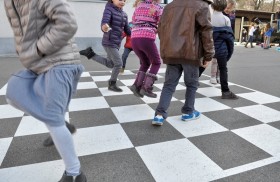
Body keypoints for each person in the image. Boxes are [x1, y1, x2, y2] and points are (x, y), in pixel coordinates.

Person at [4, 0, 87, 181]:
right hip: (38, 64)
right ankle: (61, 124)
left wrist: (37, 49)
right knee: (13, 93)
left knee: (52, 118)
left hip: (59, 62)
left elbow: (68, 23)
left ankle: (75, 174)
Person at [152, 0, 214, 125]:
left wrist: (167, 47)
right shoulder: (201, 6)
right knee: (192, 84)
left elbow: (161, 29)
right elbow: (206, 32)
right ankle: (188, 112)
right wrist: (209, 55)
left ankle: (159, 115)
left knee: (169, 85)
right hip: (190, 53)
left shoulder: (169, 6)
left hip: (171, 53)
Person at [80, 0, 131, 92]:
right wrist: (104, 27)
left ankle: (90, 54)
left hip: (117, 43)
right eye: (120, 0)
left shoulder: (124, 14)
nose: (122, 2)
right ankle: (112, 83)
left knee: (111, 64)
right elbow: (105, 22)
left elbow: (127, 30)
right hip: (109, 41)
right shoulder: (109, 10)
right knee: (119, 64)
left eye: (124, 0)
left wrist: (137, 34)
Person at [129, 0, 163, 98]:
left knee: (145, 63)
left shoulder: (139, 6)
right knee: (156, 62)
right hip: (146, 38)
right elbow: (162, 25)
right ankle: (146, 88)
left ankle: (136, 85)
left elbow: (133, 21)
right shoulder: (158, 8)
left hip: (134, 38)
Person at [212, 0, 238, 100]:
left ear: (213, 7)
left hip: (209, 47)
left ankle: (192, 85)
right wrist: (229, 52)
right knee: (223, 69)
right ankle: (225, 92)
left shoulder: (208, 17)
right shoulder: (226, 19)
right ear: (223, 7)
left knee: (201, 66)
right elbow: (230, 38)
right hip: (222, 49)